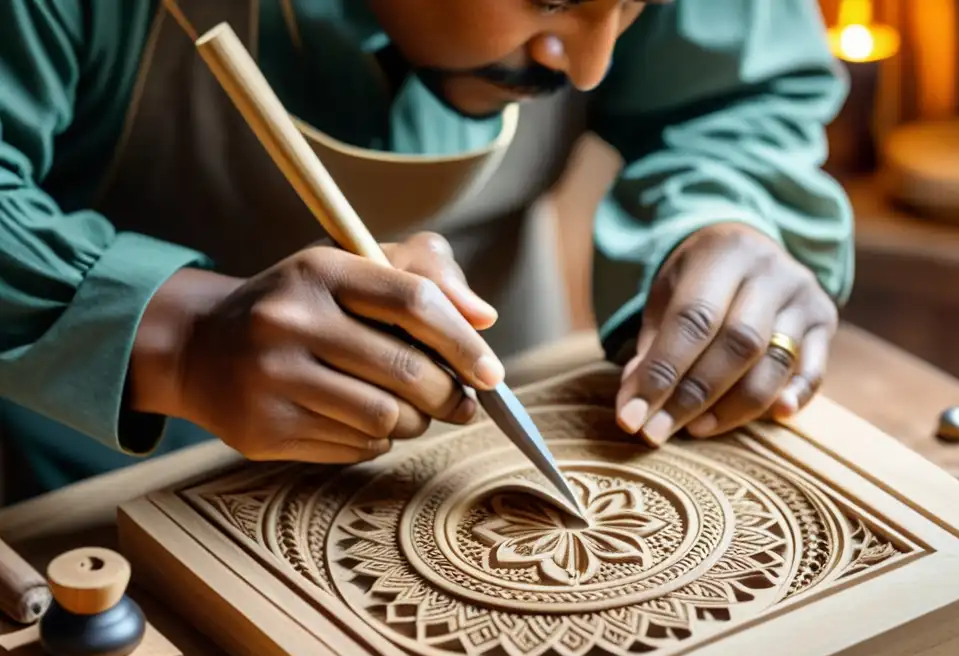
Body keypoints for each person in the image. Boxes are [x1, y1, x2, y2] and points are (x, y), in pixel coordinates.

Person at [0, 0, 853, 502]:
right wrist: (182, 337)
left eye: (632, 5)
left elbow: (735, 98)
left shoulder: (586, 41)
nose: (589, 65)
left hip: (489, 427)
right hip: (87, 487)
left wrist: (732, 218)